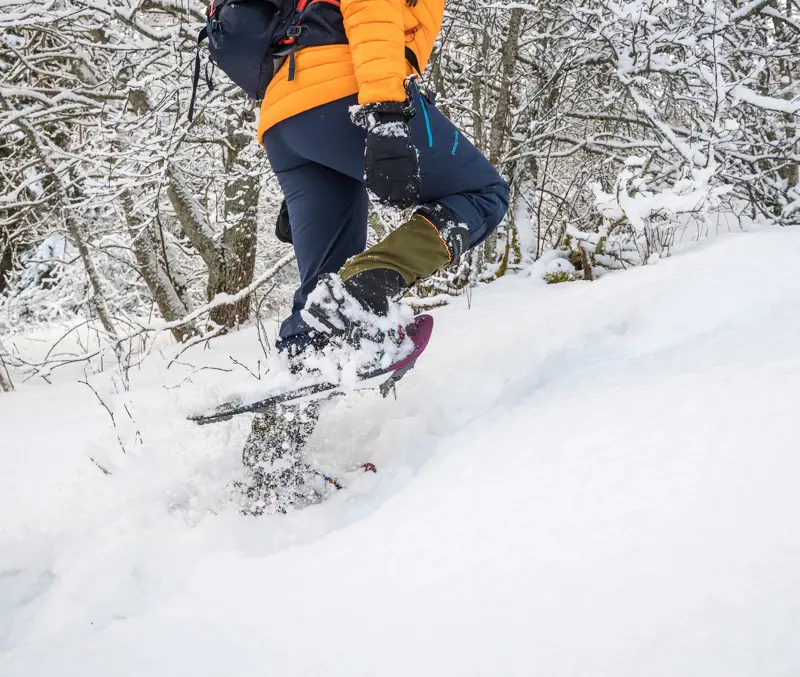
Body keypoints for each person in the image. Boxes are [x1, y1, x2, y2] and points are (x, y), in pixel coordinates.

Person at [260, 0, 509, 365]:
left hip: (284, 122)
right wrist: (387, 114)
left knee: (325, 285)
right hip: (346, 93)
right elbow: (370, 7)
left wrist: (318, 154)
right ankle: (367, 286)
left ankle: (298, 374)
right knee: (484, 193)